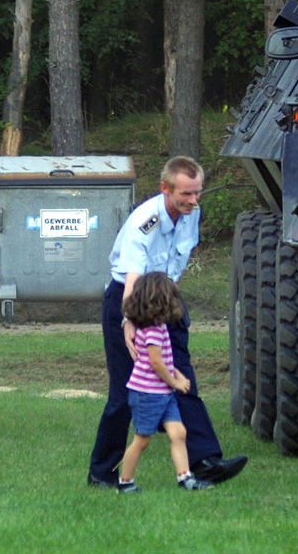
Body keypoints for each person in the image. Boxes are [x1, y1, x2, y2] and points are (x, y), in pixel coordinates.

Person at [87, 156, 247, 488]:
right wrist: (129, 320)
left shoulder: (192, 215)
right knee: (124, 392)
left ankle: (205, 462)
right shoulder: (145, 221)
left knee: (183, 379)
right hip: (131, 300)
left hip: (165, 298)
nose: (193, 201)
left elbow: (178, 260)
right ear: (165, 188)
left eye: (197, 193)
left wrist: (172, 301)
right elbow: (133, 276)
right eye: (185, 194)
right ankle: (101, 474)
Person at [117, 272, 212, 493]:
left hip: (163, 392)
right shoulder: (152, 332)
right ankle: (125, 482)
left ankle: (185, 478)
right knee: (142, 440)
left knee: (179, 433)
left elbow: (165, 361)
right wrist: (176, 383)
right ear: (161, 302)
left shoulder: (159, 328)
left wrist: (177, 375)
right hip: (147, 394)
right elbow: (156, 364)